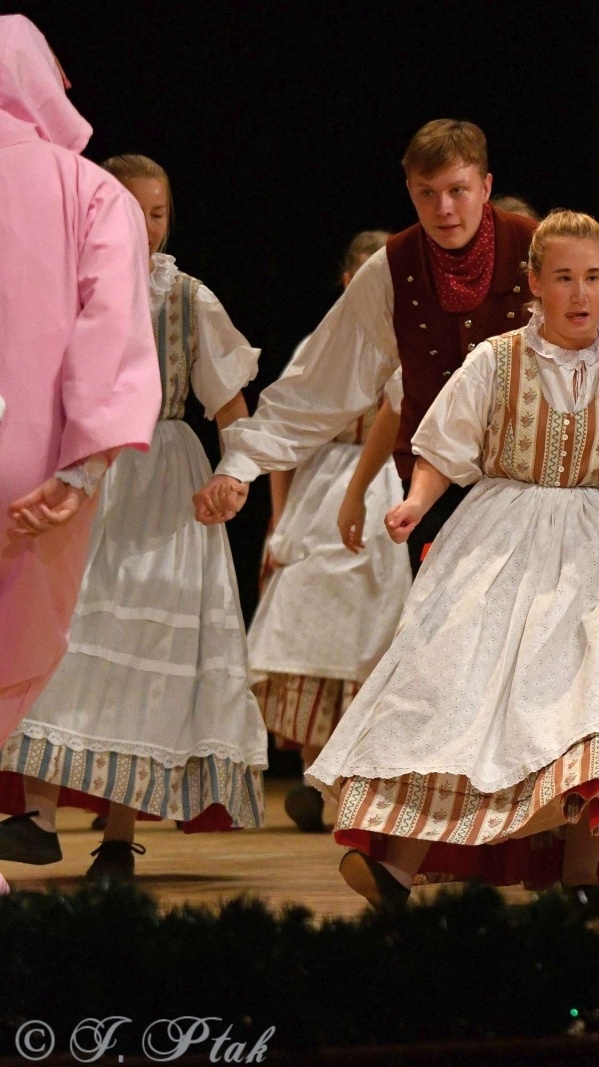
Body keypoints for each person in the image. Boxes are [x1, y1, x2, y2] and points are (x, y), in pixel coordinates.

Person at [306, 211, 599, 909]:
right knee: (460, 690)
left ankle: (581, 875)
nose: (581, 294)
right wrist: (416, 500)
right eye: (564, 279)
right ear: (535, 284)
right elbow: (444, 444)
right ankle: (392, 866)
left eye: (593, 278)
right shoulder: (497, 360)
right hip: (504, 540)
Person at [190, 120, 599, 569]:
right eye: (427, 193)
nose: (444, 208)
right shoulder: (391, 271)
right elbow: (321, 383)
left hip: (543, 484)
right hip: (436, 486)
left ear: (485, 186)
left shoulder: (543, 249)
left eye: (458, 190)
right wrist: (240, 465)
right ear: (409, 191)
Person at [0, 153, 267, 883]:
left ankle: (119, 836)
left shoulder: (185, 298)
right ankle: (38, 815)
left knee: (149, 648)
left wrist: (232, 474)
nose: (145, 227)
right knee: (63, 630)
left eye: (157, 212)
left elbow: (231, 404)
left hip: (159, 479)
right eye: (129, 209)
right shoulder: (63, 287)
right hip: (84, 472)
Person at [0, 15, 160, 742]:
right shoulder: (92, 193)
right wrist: (85, 464)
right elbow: (112, 329)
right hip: (34, 463)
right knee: (15, 650)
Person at [248, 230, 411, 833]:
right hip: (323, 489)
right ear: (348, 281)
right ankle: (318, 776)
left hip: (387, 486)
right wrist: (279, 520)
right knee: (311, 630)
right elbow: (286, 431)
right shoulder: (325, 344)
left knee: (372, 628)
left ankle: (359, 779)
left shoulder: (410, 340)